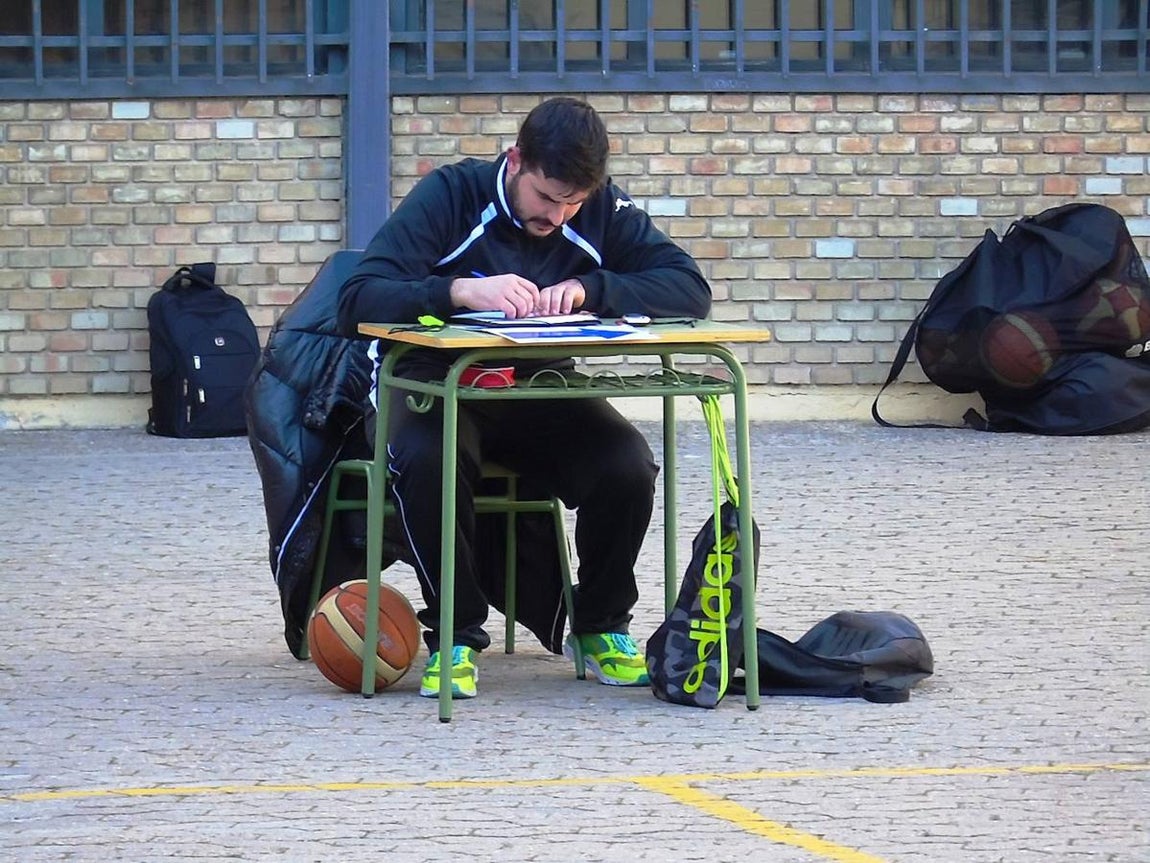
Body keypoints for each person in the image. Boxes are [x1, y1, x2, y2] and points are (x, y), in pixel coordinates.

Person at [337, 96, 711, 699]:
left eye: (573, 203)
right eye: (546, 198)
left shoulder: (602, 207)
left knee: (626, 462)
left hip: (536, 385)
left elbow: (689, 289)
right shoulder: (450, 195)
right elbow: (357, 298)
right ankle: (455, 639)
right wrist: (457, 291)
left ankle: (599, 628)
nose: (558, 217)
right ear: (515, 161)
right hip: (429, 381)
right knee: (433, 458)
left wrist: (592, 290)